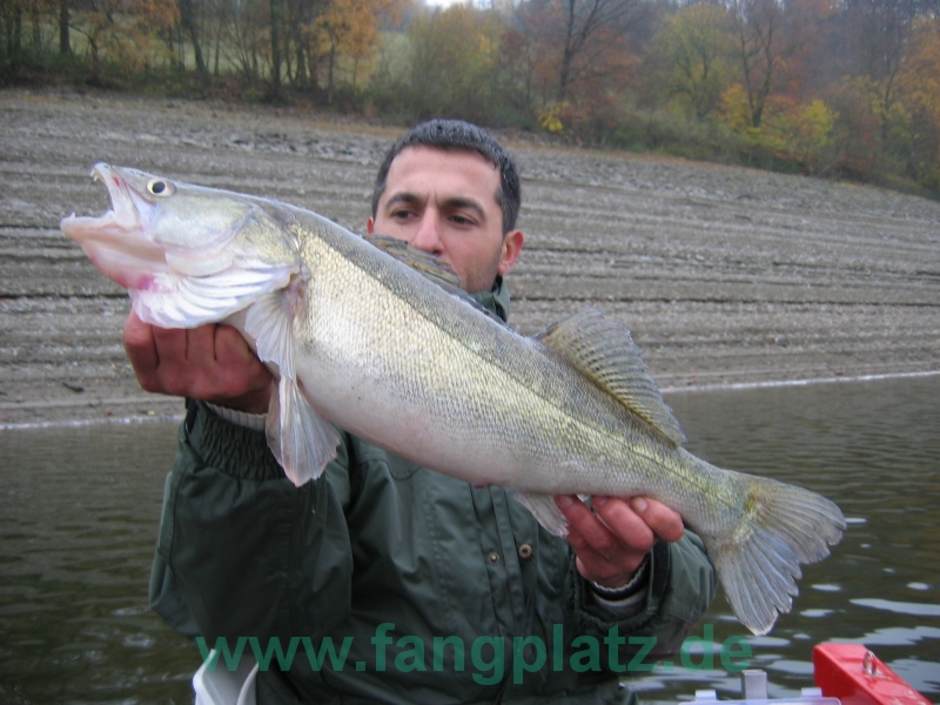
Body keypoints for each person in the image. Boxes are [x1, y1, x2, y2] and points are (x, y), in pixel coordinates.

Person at [127, 120, 715, 704]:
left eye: (460, 218)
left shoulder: (572, 388)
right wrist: (239, 429)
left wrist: (623, 583)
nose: (427, 238)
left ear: (508, 249)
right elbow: (241, 626)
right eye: (404, 213)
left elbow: (644, 647)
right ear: (367, 232)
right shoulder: (303, 392)